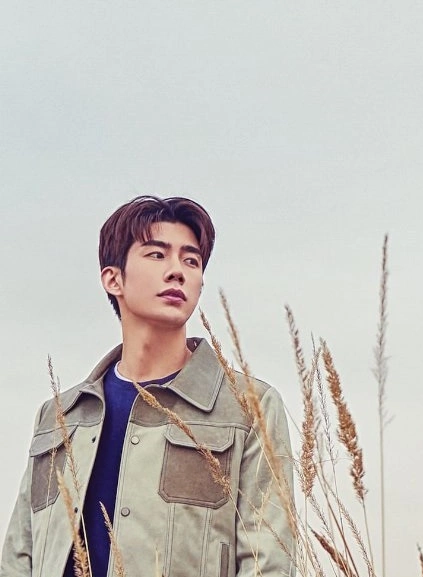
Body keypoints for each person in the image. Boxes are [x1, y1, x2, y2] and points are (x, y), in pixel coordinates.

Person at [0, 196, 296, 577]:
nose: (177, 272)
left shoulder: (247, 407)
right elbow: (19, 556)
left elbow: (269, 563)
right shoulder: (58, 415)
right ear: (113, 279)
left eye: (191, 261)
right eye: (157, 255)